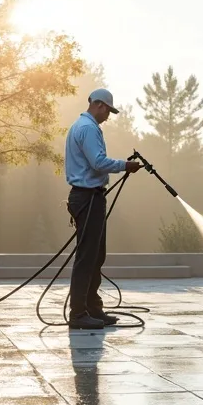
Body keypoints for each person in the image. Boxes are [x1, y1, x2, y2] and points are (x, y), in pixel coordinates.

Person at [63, 88, 141, 329]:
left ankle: (93, 309)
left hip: (90, 197)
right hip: (87, 198)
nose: (109, 116)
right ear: (99, 105)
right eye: (108, 111)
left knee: (96, 255)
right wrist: (124, 165)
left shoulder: (84, 126)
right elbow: (98, 162)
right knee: (87, 257)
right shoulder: (87, 128)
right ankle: (78, 314)